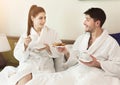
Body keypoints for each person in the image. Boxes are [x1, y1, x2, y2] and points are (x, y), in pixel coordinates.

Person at [10, 7, 120, 85]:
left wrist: (98, 64)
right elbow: (74, 58)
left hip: (95, 74)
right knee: (45, 81)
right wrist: (66, 52)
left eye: (87, 19)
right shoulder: (82, 39)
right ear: (32, 18)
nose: (84, 22)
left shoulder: (111, 43)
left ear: (97, 23)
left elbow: (118, 67)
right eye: (40, 18)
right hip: (76, 72)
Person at [0, 5, 66, 85]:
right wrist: (25, 45)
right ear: (32, 18)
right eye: (40, 18)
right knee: (25, 78)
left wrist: (49, 48)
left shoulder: (52, 33)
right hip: (29, 64)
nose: (44, 21)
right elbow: (17, 55)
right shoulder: (26, 34)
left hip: (45, 65)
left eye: (45, 18)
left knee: (43, 80)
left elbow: (60, 51)